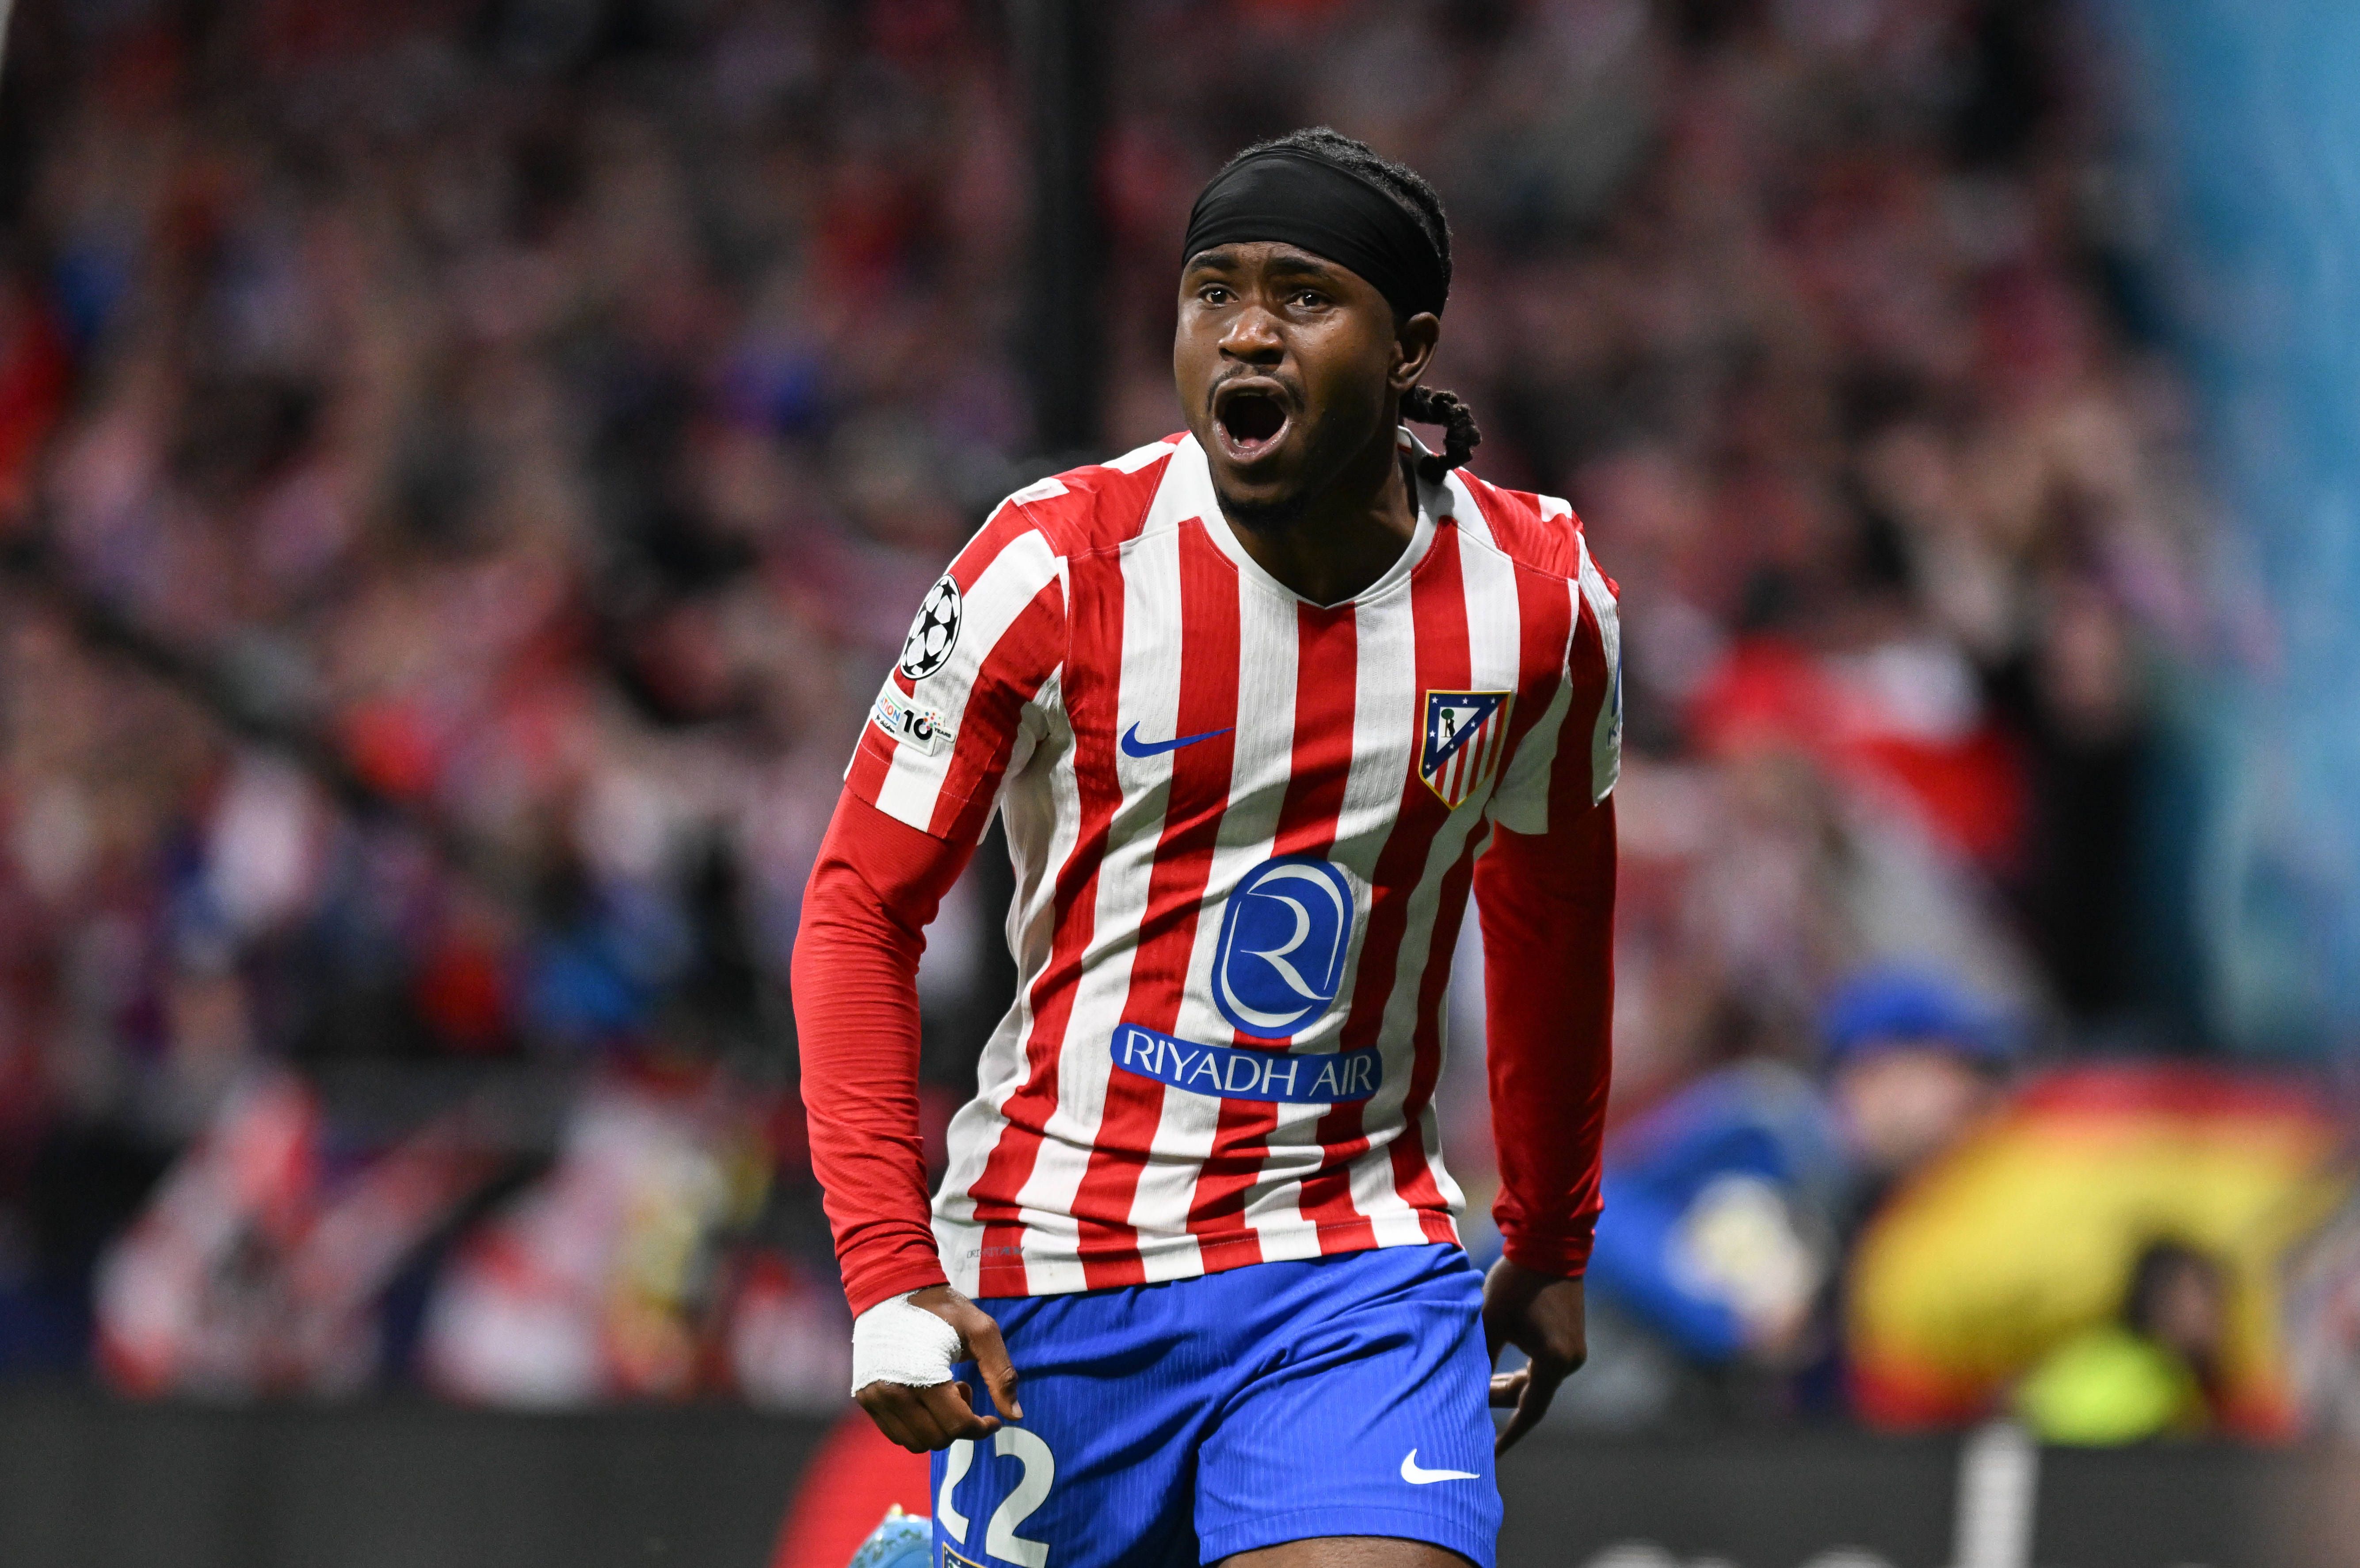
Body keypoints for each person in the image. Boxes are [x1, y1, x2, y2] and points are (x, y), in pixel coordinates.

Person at [792, 127, 1622, 1568]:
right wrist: (884, 1263)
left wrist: (1550, 1234)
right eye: (1210, 292)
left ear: (1408, 344)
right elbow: (861, 905)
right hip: (1060, 1268)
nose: (1244, 328)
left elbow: (1551, 918)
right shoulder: (1051, 563)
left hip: (1348, 1262)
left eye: (1303, 295)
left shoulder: (1538, 603)